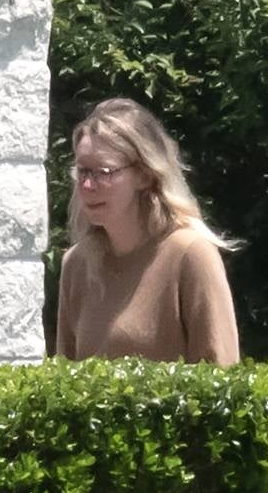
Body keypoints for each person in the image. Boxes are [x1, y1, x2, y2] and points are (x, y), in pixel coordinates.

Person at [55, 98, 240, 365]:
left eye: (103, 172)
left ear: (144, 175)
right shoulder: (76, 264)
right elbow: (64, 382)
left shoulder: (191, 254)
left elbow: (221, 379)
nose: (87, 185)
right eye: (82, 170)